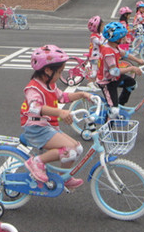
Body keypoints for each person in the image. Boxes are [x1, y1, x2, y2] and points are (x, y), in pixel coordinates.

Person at [21, 45, 92, 188]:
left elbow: (63, 97)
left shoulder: (50, 84)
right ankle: (36, 162)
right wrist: (60, 112)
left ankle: (64, 177)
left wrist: (81, 95)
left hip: (48, 126)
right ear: (47, 70)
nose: (61, 76)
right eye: (59, 72)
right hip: (36, 129)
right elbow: (35, 108)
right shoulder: (33, 88)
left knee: (77, 149)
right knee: (70, 150)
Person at [97, 22, 144, 116]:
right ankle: (108, 127)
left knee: (132, 84)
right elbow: (114, 71)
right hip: (107, 82)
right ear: (115, 39)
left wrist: (138, 60)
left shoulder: (115, 47)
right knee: (113, 110)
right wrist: (132, 68)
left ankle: (120, 105)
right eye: (122, 38)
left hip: (115, 78)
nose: (124, 40)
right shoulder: (108, 52)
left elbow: (125, 54)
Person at [87, 15, 105, 83]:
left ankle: (95, 82)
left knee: (98, 69)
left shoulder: (99, 34)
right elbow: (100, 42)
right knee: (94, 71)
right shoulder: (94, 37)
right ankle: (90, 82)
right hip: (95, 56)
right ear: (96, 27)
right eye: (102, 26)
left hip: (99, 55)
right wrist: (106, 37)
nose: (103, 28)